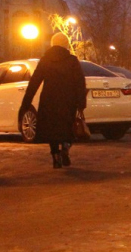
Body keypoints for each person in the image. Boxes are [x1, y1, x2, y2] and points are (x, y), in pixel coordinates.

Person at [19, 32, 88, 169]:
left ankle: (55, 156)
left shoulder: (45, 61)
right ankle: (66, 147)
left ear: (52, 44)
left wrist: (26, 102)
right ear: (66, 44)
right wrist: (81, 104)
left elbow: (34, 82)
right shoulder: (72, 60)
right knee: (68, 128)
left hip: (49, 100)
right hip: (68, 100)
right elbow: (80, 82)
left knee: (52, 130)